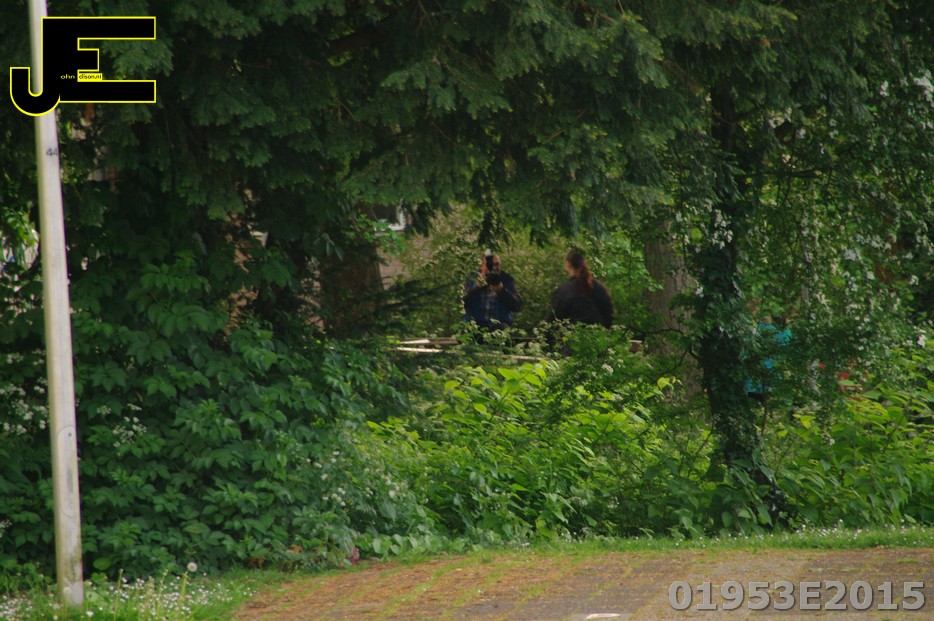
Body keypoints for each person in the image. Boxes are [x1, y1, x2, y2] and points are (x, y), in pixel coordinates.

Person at [549, 250, 613, 327]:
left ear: (568, 264)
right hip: (599, 333)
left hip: (573, 333)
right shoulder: (599, 288)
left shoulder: (563, 292)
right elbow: (608, 315)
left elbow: (553, 321)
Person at [463, 251, 522, 328]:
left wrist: (501, 291)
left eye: (497, 264)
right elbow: (461, 303)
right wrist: (478, 287)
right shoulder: (472, 278)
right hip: (474, 326)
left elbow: (517, 306)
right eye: (490, 265)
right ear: (481, 266)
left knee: (504, 328)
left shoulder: (507, 279)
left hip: (498, 327)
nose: (494, 268)